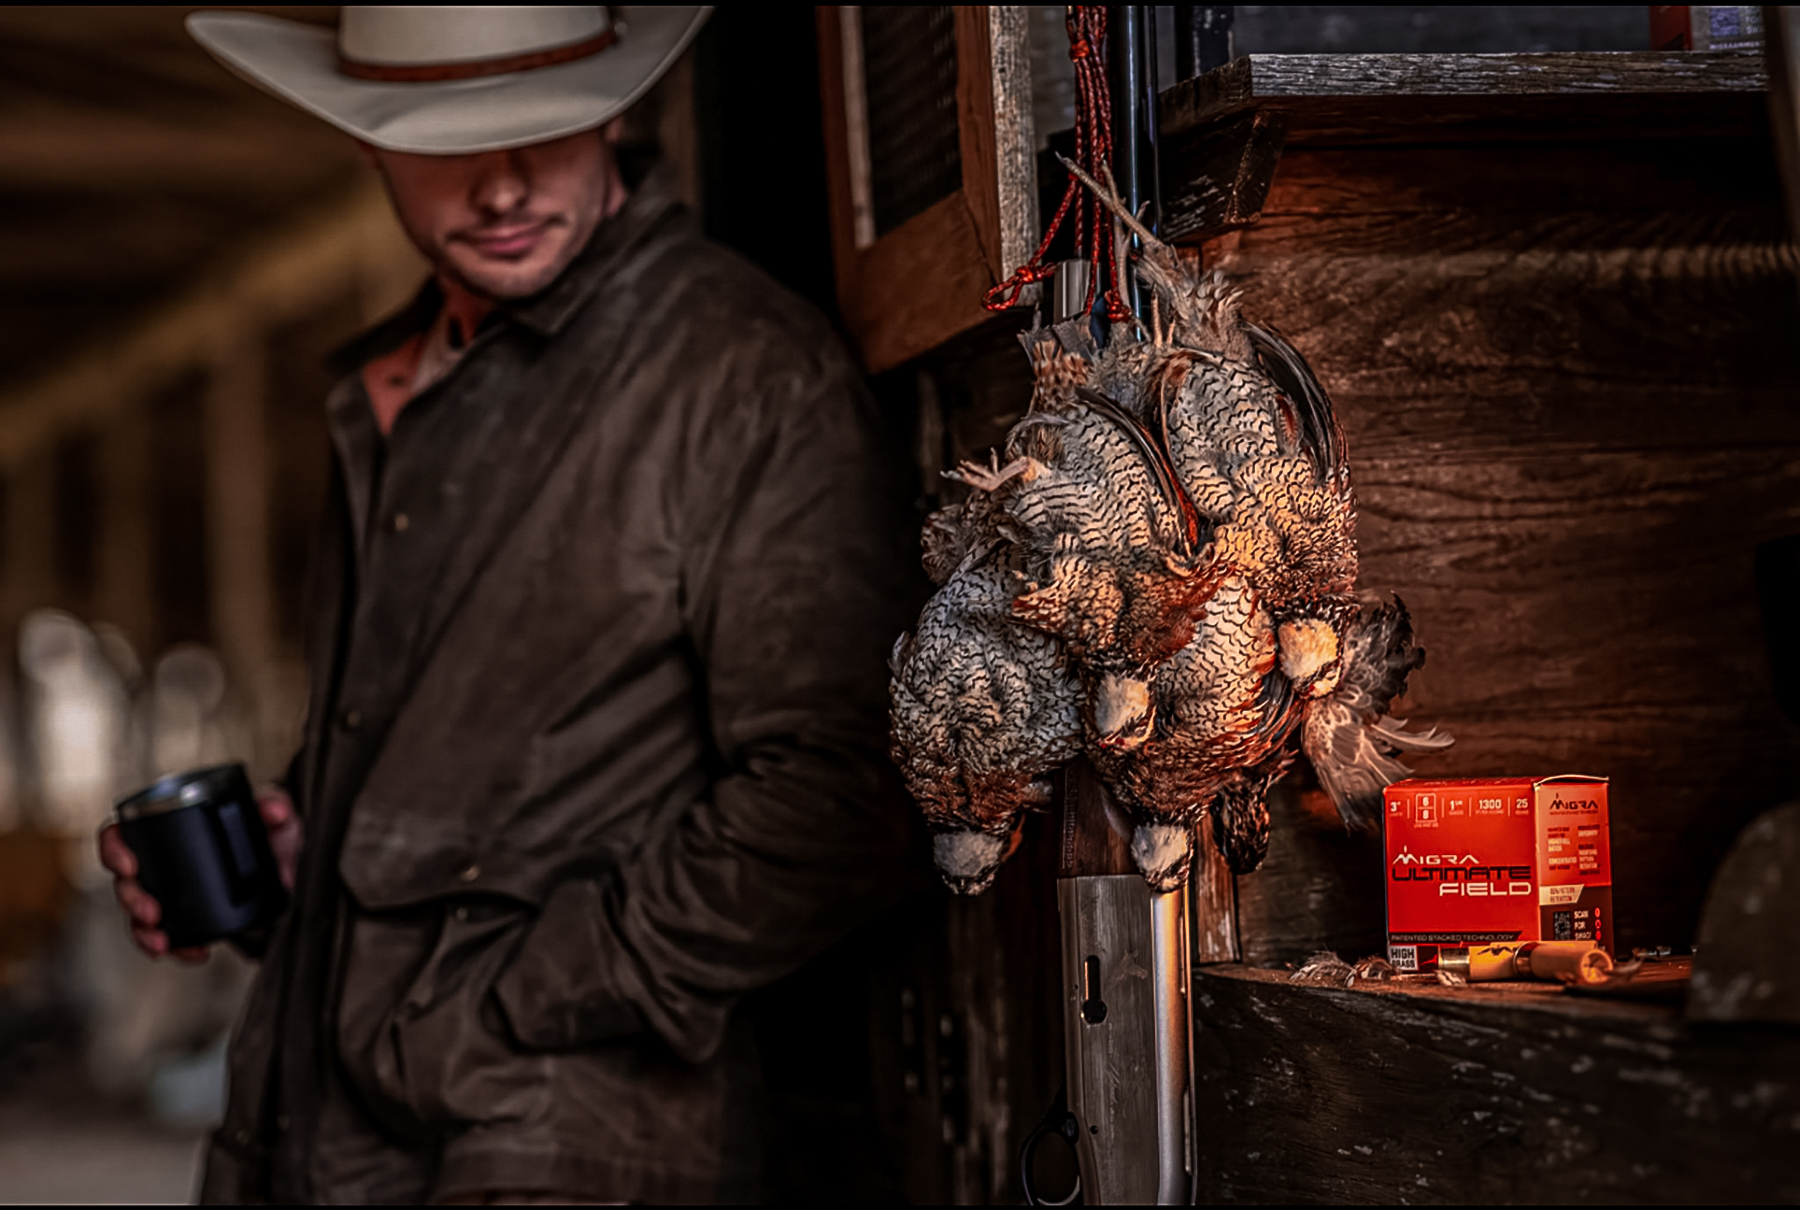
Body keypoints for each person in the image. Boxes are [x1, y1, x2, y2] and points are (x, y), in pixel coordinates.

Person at [97, 7, 916, 1202]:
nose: (502, 183)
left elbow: (848, 791)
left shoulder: (739, 371)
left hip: (557, 1154)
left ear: (618, 105)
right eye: (445, 139)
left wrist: (507, 999)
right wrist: (307, 856)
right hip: (307, 1141)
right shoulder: (389, 388)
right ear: (368, 140)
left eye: (544, 125)